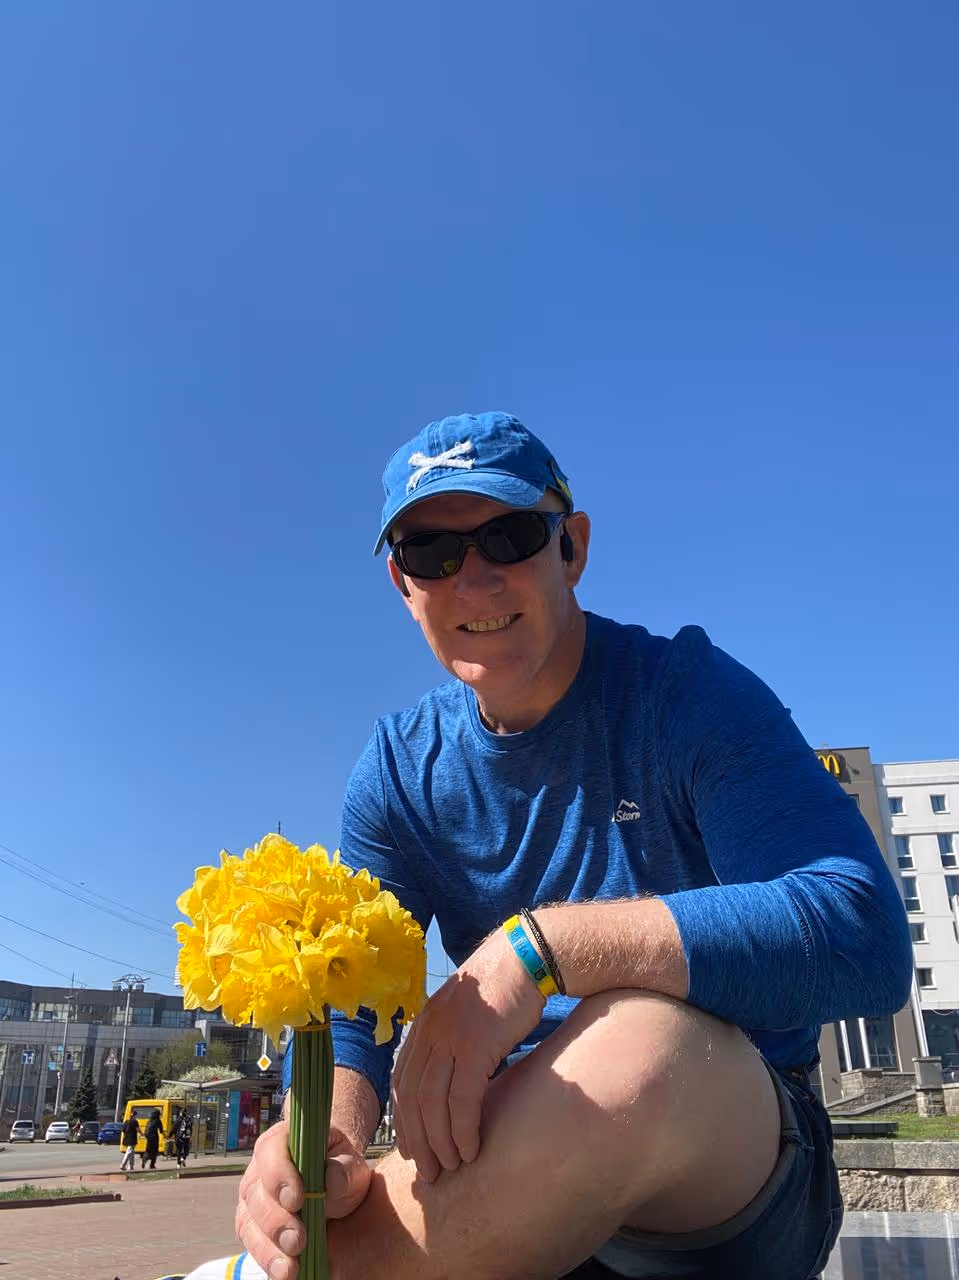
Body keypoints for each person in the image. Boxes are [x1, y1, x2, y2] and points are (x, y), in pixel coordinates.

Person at [234, 412, 912, 1280]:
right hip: (505, 1155)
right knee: (329, 1188)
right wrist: (321, 1132)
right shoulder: (398, 769)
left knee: (644, 1043)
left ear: (572, 548)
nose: (472, 579)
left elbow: (862, 935)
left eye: (508, 536)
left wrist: (539, 951)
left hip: (730, 1179)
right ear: (402, 585)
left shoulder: (687, 694)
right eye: (431, 552)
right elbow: (348, 999)